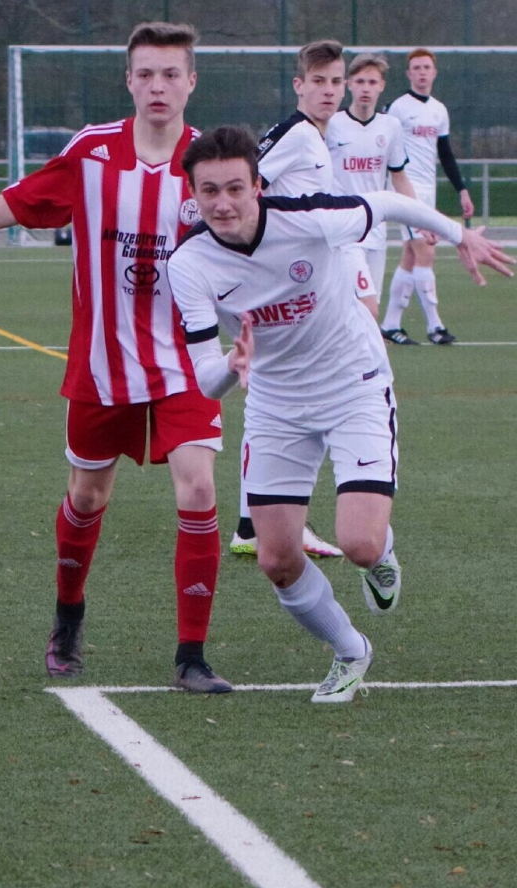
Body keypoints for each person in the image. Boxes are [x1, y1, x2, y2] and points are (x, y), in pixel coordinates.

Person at [0, 22, 231, 693]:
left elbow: (257, 233)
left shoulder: (208, 164)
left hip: (187, 361)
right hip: (102, 363)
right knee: (87, 495)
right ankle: (68, 618)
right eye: (146, 74)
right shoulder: (92, 153)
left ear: (191, 81)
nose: (157, 86)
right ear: (128, 81)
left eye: (170, 74)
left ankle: (192, 655)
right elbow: (21, 201)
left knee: (200, 488)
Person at [167, 125, 512, 702]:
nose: (223, 203)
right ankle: (350, 651)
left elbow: (390, 202)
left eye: (234, 188)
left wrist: (459, 236)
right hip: (276, 406)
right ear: (193, 194)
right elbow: (206, 380)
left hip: (354, 386)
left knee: (359, 544)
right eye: (209, 191)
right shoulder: (190, 263)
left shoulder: (312, 217)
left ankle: (382, 553)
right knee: (276, 559)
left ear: (257, 185)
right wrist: (232, 363)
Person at [230, 40, 346, 560]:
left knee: (277, 403)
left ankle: (252, 525)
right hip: (281, 290)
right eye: (318, 81)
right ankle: (267, 524)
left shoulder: (316, 137)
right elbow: (247, 183)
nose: (329, 91)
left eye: (336, 82)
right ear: (299, 86)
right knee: (290, 404)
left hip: (299, 288)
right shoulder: (297, 134)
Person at [381, 48, 475, 346]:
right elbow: (384, 146)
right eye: (416, 67)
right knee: (426, 251)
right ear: (408, 74)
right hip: (405, 189)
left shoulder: (438, 110)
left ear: (434, 73)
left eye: (426, 67)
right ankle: (435, 326)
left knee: (411, 255)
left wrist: (462, 190)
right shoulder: (398, 108)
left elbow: (445, 154)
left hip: (427, 189)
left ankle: (390, 324)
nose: (421, 72)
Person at [326, 52, 419, 320]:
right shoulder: (332, 124)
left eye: (372, 82)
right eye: (360, 82)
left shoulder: (391, 126)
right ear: (348, 84)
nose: (365, 88)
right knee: (368, 310)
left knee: (364, 314)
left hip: (376, 232)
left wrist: (421, 221)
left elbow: (399, 178)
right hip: (345, 233)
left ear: (381, 86)